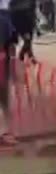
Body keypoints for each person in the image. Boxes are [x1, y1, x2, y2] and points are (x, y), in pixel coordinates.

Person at [0, 0, 17, 144]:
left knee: (5, 99)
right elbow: (12, 46)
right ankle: (7, 132)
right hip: (2, 65)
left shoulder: (4, 20)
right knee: (5, 100)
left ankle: (7, 132)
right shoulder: (5, 19)